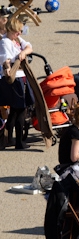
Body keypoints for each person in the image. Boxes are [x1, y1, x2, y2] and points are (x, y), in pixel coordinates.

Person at [0, 18, 34, 149]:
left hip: (21, 77)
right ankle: (18, 142)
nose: (19, 34)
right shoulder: (5, 42)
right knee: (20, 110)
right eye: (17, 31)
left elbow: (29, 47)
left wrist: (24, 52)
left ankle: (11, 139)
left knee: (15, 110)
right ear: (10, 30)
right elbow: (6, 59)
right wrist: (9, 66)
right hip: (15, 79)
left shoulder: (16, 40)